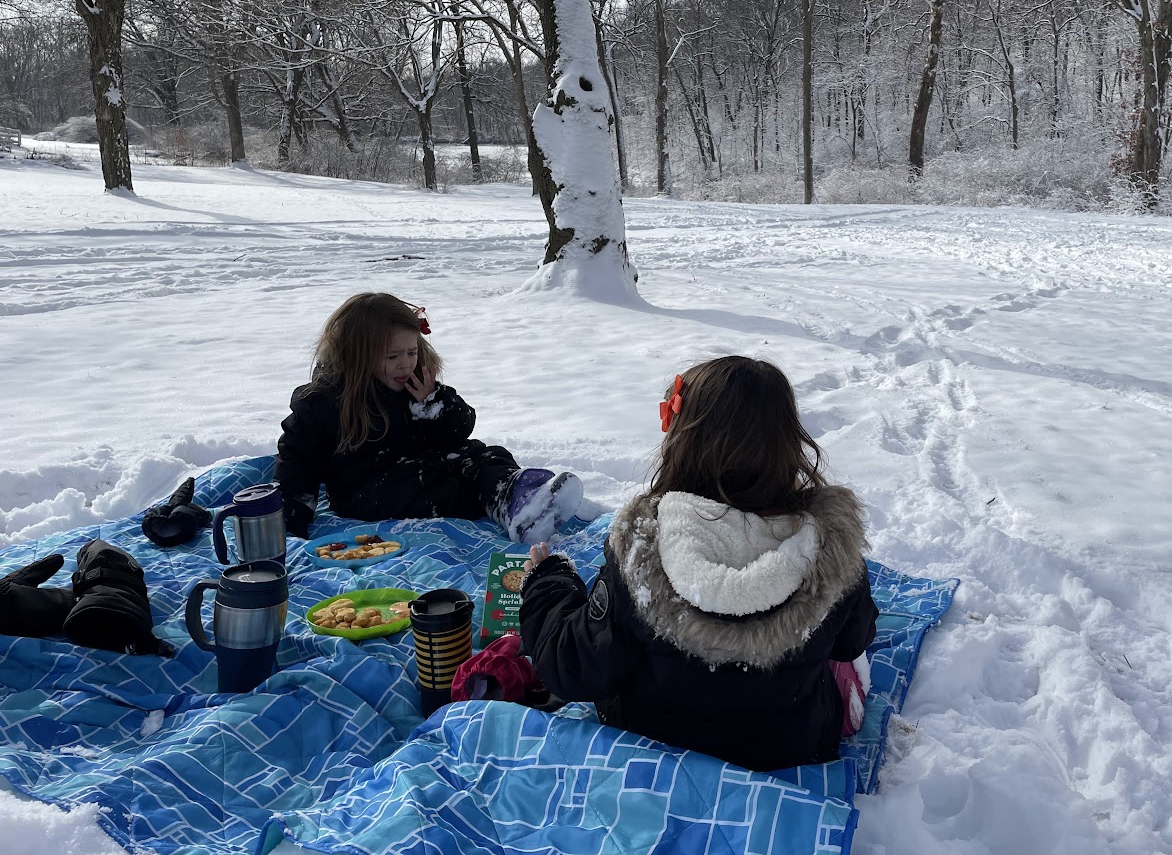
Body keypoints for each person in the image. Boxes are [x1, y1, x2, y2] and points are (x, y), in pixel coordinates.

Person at [519, 356, 878, 773]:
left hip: (654, 743)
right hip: (792, 749)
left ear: (683, 441)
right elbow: (854, 640)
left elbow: (572, 668)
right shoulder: (828, 550)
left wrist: (547, 583)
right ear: (788, 444)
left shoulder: (644, 554)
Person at [274, 292, 581, 543]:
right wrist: (290, 516)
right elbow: (298, 461)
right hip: (369, 490)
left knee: (482, 454)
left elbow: (459, 431)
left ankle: (519, 498)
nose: (405, 364)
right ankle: (510, 507)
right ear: (356, 357)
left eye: (411, 352)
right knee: (455, 485)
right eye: (393, 356)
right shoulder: (325, 400)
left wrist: (434, 404)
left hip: (420, 465)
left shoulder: (415, 385)